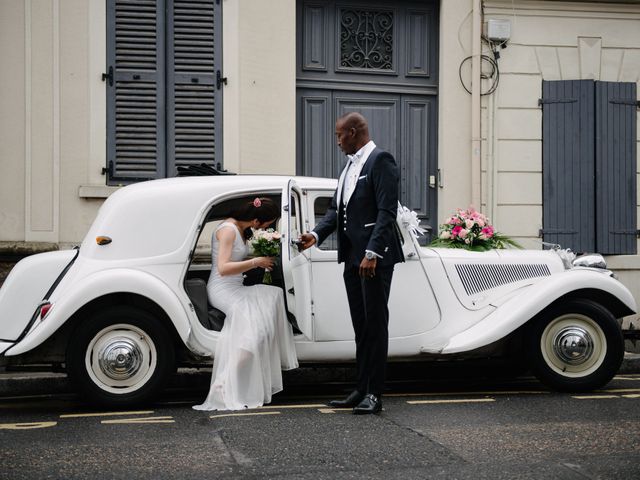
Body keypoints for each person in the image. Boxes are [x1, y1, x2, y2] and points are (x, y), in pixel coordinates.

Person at [299, 112, 404, 414]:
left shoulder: (381, 161)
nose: (337, 141)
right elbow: (335, 210)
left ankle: (375, 393)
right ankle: (360, 388)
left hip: (373, 259)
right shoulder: (348, 167)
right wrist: (315, 235)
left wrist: (373, 253)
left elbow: (387, 212)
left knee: (376, 324)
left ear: (354, 132)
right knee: (361, 326)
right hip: (353, 258)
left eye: (339, 135)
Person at [193, 197, 299, 411]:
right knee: (256, 333)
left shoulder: (240, 229)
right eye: (268, 224)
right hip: (223, 289)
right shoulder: (228, 230)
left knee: (274, 295)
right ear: (256, 220)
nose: (268, 227)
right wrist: (255, 262)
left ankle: (231, 378)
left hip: (237, 287)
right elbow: (223, 268)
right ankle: (223, 382)